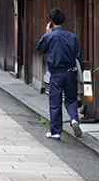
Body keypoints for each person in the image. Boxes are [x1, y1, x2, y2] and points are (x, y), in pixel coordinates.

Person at [36, 8, 83, 139]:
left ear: (51, 22)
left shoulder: (49, 36)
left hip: (56, 73)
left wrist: (47, 33)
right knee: (71, 98)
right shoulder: (71, 36)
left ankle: (56, 131)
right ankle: (74, 119)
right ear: (63, 21)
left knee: (55, 101)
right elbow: (79, 57)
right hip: (70, 72)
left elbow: (40, 48)